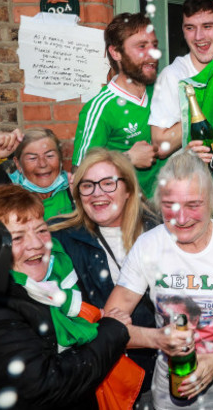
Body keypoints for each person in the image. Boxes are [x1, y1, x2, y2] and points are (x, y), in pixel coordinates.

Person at [0, 184, 136, 409]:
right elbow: (45, 387)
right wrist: (111, 331)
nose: (37, 244)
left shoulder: (49, 284)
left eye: (41, 230)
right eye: (17, 237)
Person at [105, 150, 213, 409]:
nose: (181, 218)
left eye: (193, 205)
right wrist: (157, 338)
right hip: (173, 399)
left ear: (211, 200)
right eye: (169, 205)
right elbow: (110, 324)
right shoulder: (148, 246)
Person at [49, 148, 161, 399]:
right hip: (104, 379)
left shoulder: (159, 231)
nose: (97, 193)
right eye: (87, 185)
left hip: (162, 373)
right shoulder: (59, 238)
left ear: (128, 189)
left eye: (108, 183)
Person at [72, 12, 164, 198]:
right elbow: (78, 177)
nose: (153, 53)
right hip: (130, 216)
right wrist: (127, 159)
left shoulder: (162, 90)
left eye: (154, 45)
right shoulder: (99, 109)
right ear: (115, 52)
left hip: (170, 208)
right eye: (141, 46)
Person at [149, 0, 213, 159]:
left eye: (207, 26)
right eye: (190, 28)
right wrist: (205, 107)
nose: (198, 37)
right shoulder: (173, 75)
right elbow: (159, 147)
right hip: (191, 179)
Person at [0, 127, 74, 220]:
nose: (42, 164)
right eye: (32, 158)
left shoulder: (76, 189)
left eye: (49, 156)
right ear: (18, 164)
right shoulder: (1, 189)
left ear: (60, 160)